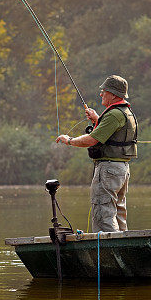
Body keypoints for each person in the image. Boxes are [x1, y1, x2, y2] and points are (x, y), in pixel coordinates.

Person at [56, 75, 137, 232]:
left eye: (104, 91)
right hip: (121, 169)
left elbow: (92, 140)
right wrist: (97, 120)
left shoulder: (114, 114)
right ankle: (122, 249)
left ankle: (107, 251)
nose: (101, 94)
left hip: (109, 170)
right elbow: (111, 134)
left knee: (103, 213)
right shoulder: (125, 112)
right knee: (118, 213)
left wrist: (69, 140)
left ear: (113, 94)